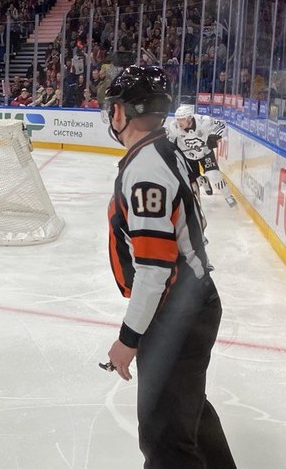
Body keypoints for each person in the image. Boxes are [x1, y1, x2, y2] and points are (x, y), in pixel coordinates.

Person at [99, 65, 235, 468]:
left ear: (121, 113)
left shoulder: (145, 170)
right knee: (187, 412)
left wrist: (128, 337)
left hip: (177, 313)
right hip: (190, 304)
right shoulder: (164, 148)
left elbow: (155, 268)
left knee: (165, 441)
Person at [165, 104, 236, 207]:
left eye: (182, 119)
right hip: (187, 156)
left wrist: (214, 136)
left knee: (214, 175)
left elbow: (222, 126)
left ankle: (229, 197)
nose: (179, 122)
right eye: (178, 119)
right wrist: (171, 149)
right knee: (194, 181)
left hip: (205, 153)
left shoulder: (204, 121)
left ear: (190, 118)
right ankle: (203, 181)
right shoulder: (173, 126)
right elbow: (168, 140)